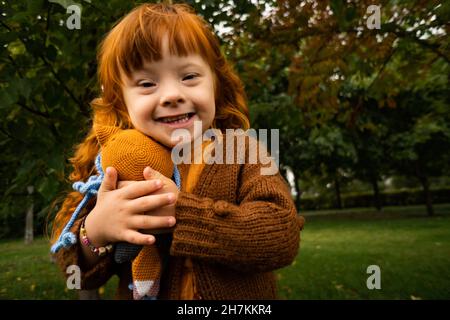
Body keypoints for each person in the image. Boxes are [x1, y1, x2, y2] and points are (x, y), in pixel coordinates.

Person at [51, 3, 304, 300]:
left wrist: (179, 215)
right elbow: (76, 272)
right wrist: (95, 232)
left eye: (189, 77)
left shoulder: (242, 151)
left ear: (216, 85)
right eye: (147, 83)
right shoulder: (118, 165)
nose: (172, 95)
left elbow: (281, 237)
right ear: (122, 101)